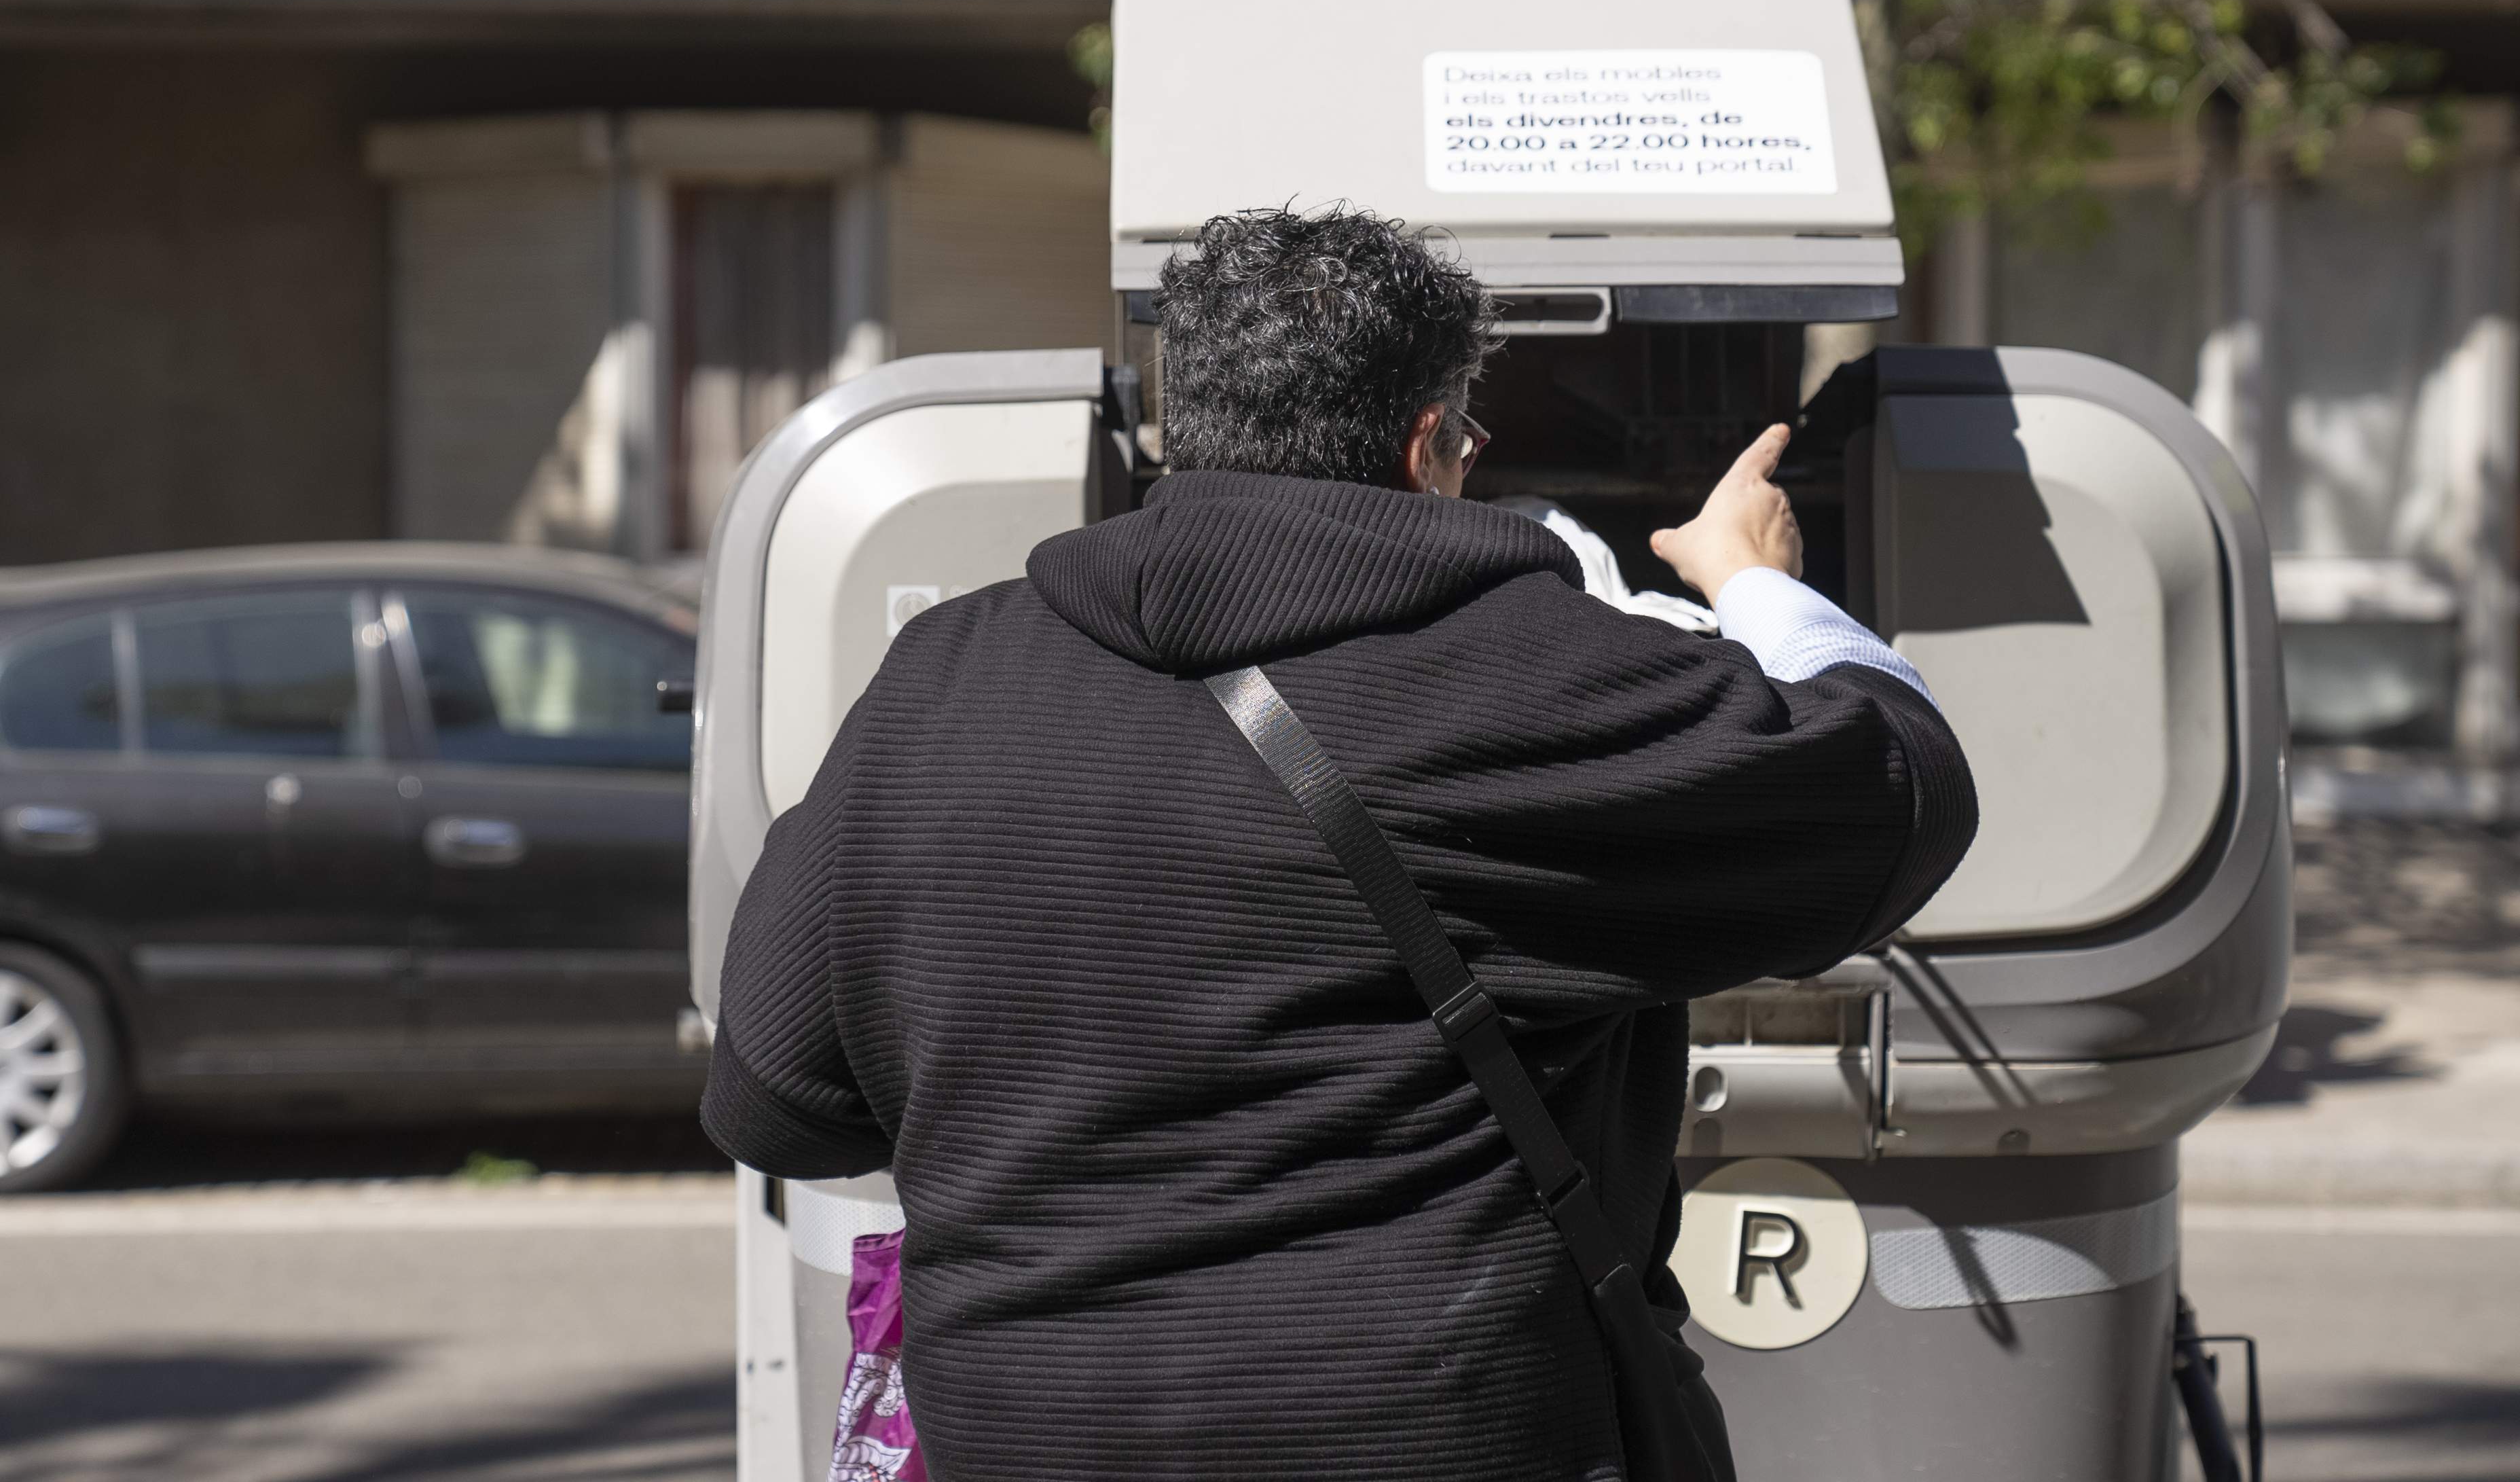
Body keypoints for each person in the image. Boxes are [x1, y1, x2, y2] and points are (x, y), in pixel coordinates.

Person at [702, 206, 1977, 1481]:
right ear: (1429, 443)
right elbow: (1901, 789)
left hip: (1029, 1435)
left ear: (1186, 422)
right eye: (1471, 432)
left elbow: (782, 1099)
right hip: (1433, 1432)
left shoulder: (942, 677)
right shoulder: (1539, 683)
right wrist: (1755, 580)